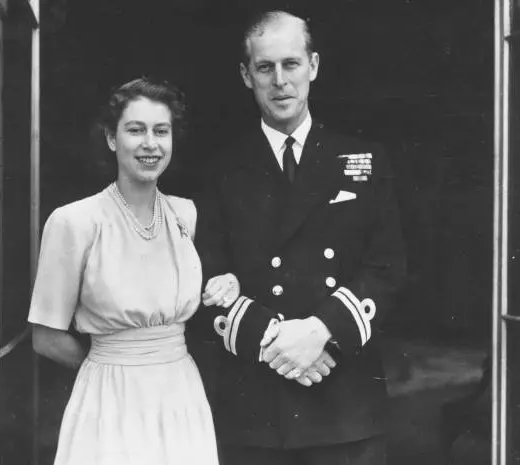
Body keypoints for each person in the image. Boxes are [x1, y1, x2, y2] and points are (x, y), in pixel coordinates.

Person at [192, 10, 406, 465]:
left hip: (344, 401)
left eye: (291, 64)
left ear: (313, 66)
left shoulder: (364, 159)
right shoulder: (220, 169)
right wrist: (276, 339)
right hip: (254, 406)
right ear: (246, 76)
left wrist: (321, 330)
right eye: (265, 68)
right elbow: (204, 271)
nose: (280, 81)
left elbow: (387, 266)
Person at [28, 77, 220, 465]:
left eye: (161, 131)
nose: (150, 143)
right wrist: (111, 365)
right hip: (109, 399)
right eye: (135, 130)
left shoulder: (186, 215)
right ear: (111, 138)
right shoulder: (75, 222)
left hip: (180, 395)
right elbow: (46, 338)